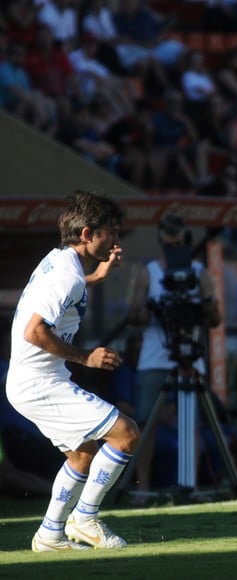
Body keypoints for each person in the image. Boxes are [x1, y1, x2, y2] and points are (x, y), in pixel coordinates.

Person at [5, 190, 139, 551]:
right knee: (126, 434)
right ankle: (86, 519)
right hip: (40, 383)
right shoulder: (67, 276)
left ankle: (50, 535)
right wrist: (86, 358)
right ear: (86, 234)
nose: (115, 238)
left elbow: (65, 294)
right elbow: (35, 331)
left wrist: (98, 275)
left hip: (32, 381)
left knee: (83, 455)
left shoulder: (60, 261)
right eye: (110, 231)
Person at [126, 215, 221, 496]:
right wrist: (151, 310)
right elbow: (133, 314)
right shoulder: (149, 272)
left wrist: (202, 306)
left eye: (178, 243)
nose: (174, 248)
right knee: (145, 422)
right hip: (155, 356)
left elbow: (215, 318)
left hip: (189, 356)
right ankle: (143, 488)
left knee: (190, 422)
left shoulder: (200, 273)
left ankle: (188, 485)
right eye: (169, 243)